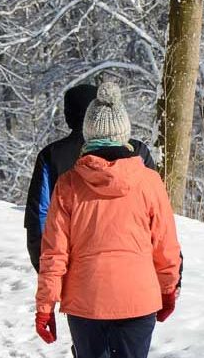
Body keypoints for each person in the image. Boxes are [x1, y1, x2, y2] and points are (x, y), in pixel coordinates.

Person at [34, 82, 182, 358]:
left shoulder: (68, 184)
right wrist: (168, 291)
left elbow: (54, 253)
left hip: (86, 300)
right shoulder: (149, 182)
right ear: (124, 134)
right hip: (138, 298)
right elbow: (166, 247)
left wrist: (45, 306)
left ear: (88, 135)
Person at [23, 84, 155, 273]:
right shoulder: (137, 151)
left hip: (75, 268)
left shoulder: (51, 155)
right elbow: (156, 214)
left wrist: (47, 268)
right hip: (135, 265)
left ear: (68, 115)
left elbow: (39, 216)